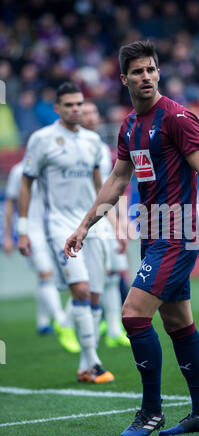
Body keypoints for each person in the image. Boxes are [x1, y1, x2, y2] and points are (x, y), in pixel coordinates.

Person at [64, 40, 199, 436]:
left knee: (133, 314)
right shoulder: (129, 126)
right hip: (151, 232)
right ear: (123, 79)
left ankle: (151, 411)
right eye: (137, 71)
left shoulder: (177, 117)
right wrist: (85, 224)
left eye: (151, 69)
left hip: (177, 233)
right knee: (178, 323)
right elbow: (118, 179)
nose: (146, 77)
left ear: (159, 72)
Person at [18, 82, 114, 384]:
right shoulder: (42, 139)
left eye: (79, 104)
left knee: (96, 295)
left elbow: (103, 187)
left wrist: (111, 222)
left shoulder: (93, 142)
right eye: (69, 104)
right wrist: (22, 228)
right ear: (57, 108)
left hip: (92, 224)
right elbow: (26, 182)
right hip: (59, 225)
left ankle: (86, 364)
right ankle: (95, 362)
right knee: (82, 290)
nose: (76, 109)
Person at [3, 159, 80, 354]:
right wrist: (9, 235)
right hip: (32, 231)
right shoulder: (18, 171)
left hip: (55, 229)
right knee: (46, 274)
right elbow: (10, 203)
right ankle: (61, 319)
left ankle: (43, 321)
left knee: (47, 276)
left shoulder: (52, 168)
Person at [80, 100, 130, 348]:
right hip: (82, 218)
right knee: (87, 279)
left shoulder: (105, 150)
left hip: (105, 216)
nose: (90, 118)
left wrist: (120, 221)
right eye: (84, 113)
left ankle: (112, 329)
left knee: (111, 274)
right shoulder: (74, 148)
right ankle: (68, 323)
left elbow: (117, 189)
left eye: (93, 112)